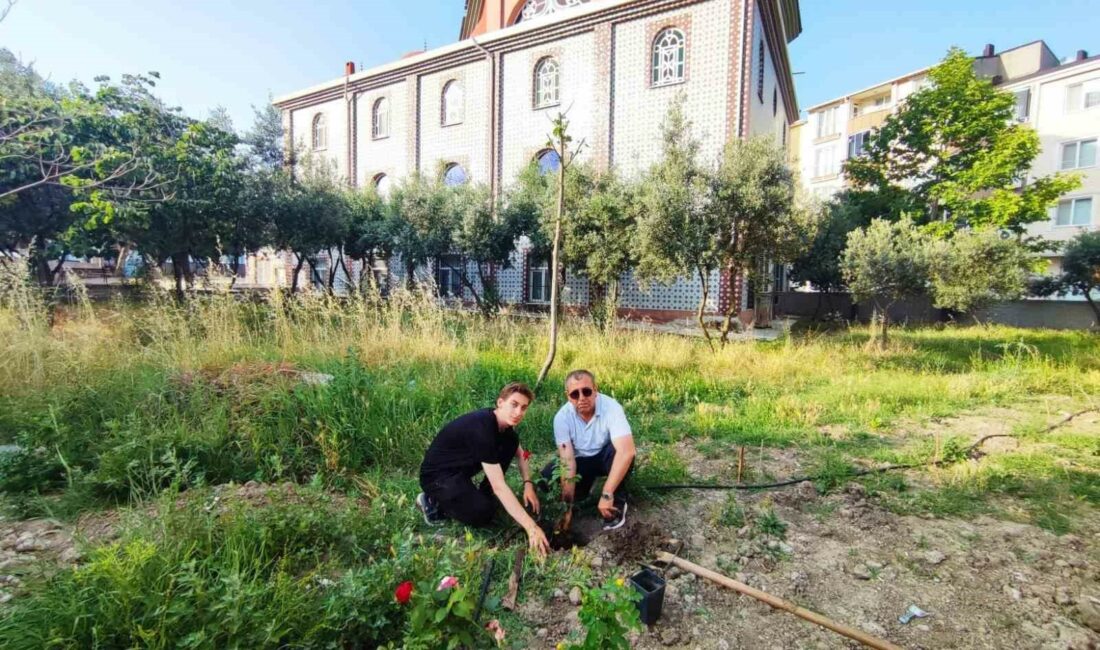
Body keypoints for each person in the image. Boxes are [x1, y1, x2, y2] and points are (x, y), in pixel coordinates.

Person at [416, 382, 551, 557]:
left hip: (459, 474)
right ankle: (433, 502)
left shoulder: (506, 430)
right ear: (500, 403)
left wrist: (528, 484)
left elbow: (523, 453)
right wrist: (531, 527)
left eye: (524, 408)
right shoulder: (482, 427)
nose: (518, 412)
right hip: (437, 477)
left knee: (510, 445)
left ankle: (482, 496)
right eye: (514, 404)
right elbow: (499, 485)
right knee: (482, 513)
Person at [540, 369, 636, 530]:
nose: (582, 398)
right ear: (567, 396)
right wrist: (567, 507)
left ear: (595, 390)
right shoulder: (562, 418)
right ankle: (583, 491)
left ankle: (616, 501)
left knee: (620, 452)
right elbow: (567, 461)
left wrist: (607, 493)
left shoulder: (611, 408)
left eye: (586, 391)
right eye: (575, 394)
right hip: (581, 461)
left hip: (605, 456)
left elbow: (627, 451)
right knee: (546, 478)